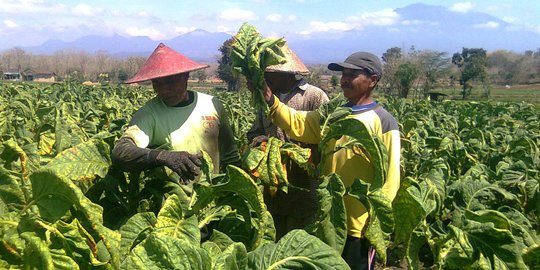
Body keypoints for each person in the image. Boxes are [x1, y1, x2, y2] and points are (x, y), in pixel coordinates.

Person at [250, 51, 401, 270]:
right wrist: (271, 100)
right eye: (343, 74)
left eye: (352, 75)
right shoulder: (333, 114)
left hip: (359, 224)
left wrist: (375, 224)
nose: (344, 80)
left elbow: (391, 178)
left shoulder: (383, 121)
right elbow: (299, 123)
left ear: (373, 81)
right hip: (327, 218)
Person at [112, 43, 240, 186]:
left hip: (210, 201)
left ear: (185, 77)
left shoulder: (212, 104)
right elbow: (121, 151)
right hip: (172, 204)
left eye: (171, 81)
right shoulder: (149, 113)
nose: (164, 90)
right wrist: (162, 156)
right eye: (157, 83)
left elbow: (230, 156)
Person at [247, 45, 329, 240]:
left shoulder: (314, 96)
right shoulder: (264, 99)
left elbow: (326, 138)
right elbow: (253, 131)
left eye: (269, 74)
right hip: (273, 182)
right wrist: (260, 142)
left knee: (300, 234)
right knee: (275, 232)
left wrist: (296, 152)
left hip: (304, 184)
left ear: (288, 73)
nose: (265, 79)